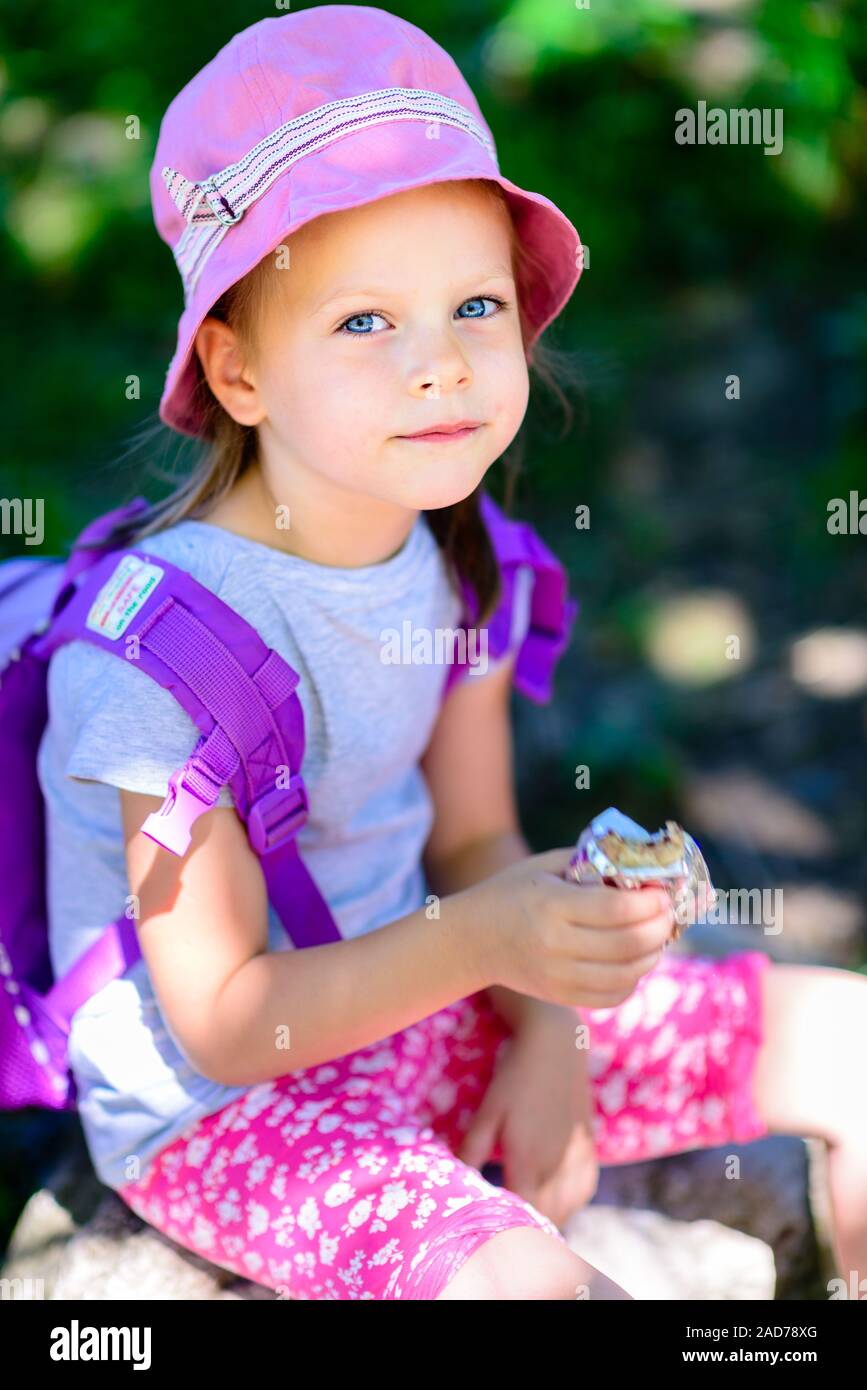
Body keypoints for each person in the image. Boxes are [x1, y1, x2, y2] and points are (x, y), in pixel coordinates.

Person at [40, 7, 867, 1301]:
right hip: (231, 1107)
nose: (442, 365)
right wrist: (488, 941)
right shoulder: (163, 663)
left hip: (434, 1001)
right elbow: (223, 1014)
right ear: (238, 368)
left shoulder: (460, 555)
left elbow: (476, 838)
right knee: (533, 1289)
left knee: (856, 1045)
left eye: (475, 303)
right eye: (365, 321)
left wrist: (544, 1026)